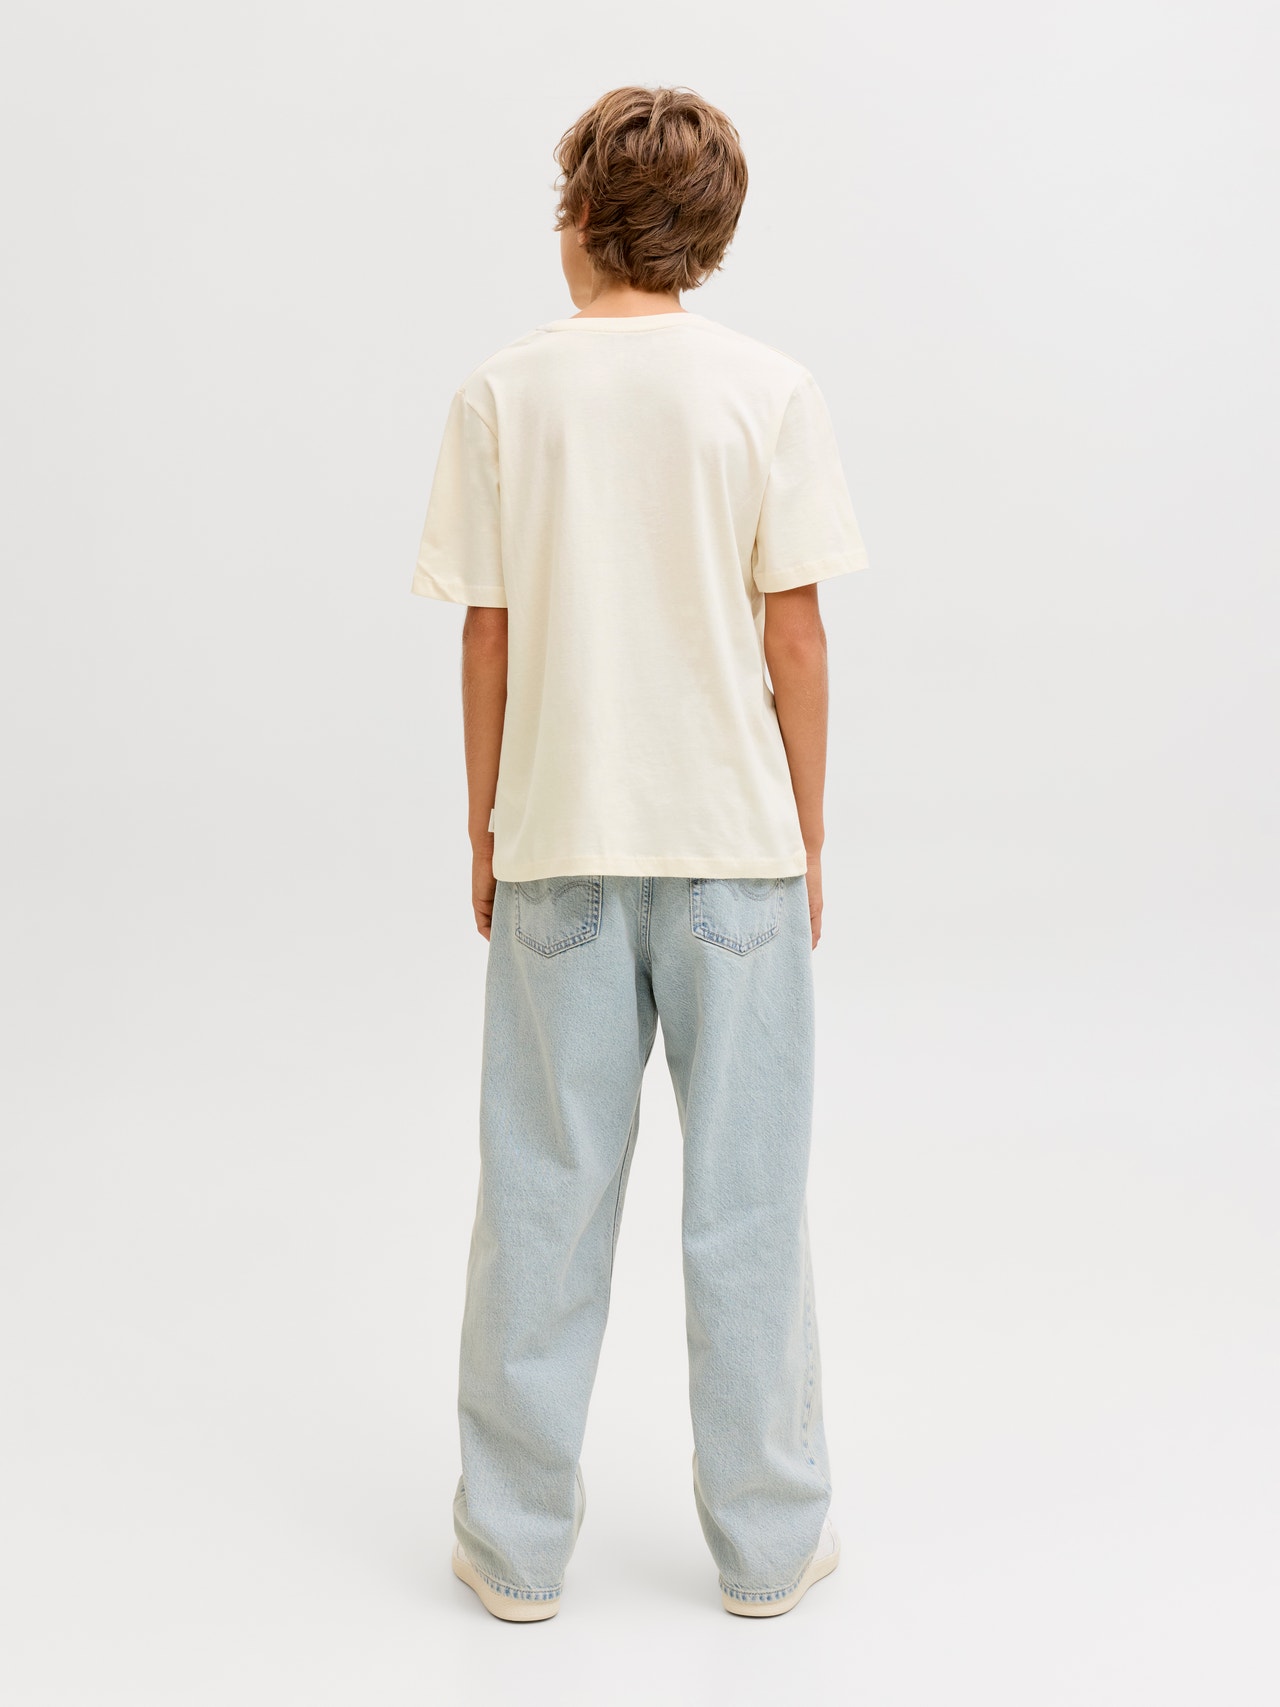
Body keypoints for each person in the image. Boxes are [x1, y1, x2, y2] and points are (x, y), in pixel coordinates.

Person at [410, 84, 870, 1621]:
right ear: (708, 232)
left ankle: (513, 1549)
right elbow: (796, 638)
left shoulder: (504, 394)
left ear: (580, 217)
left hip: (561, 845)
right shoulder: (769, 391)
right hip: (736, 851)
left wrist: (487, 823)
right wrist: (805, 831)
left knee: (541, 1202)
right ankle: (769, 1545)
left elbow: (488, 639)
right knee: (749, 1208)